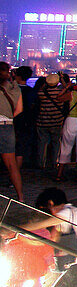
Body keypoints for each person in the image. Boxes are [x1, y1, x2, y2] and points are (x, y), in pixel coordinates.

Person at [35, 73, 71, 170]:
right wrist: (65, 85)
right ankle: (54, 162)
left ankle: (41, 163)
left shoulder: (41, 93)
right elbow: (69, 91)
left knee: (42, 143)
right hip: (57, 121)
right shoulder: (61, 93)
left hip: (42, 121)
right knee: (56, 143)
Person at [0, 63, 25, 201]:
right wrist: (8, 117)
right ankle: (20, 197)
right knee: (11, 164)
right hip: (7, 126)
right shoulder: (15, 89)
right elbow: (19, 110)